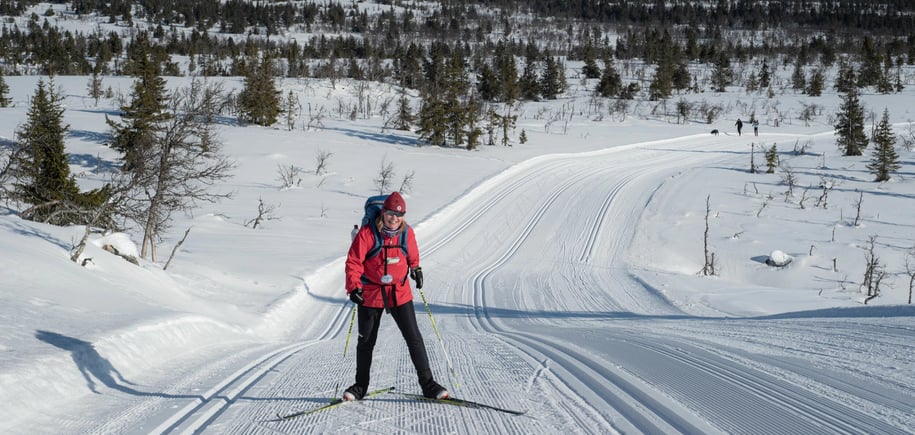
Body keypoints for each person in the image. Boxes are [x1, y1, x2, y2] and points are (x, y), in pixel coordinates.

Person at [343, 192, 449, 401]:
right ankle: (360, 386)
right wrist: (354, 287)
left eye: (399, 215)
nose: (395, 218)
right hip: (371, 293)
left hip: (399, 292)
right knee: (366, 342)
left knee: (414, 339)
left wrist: (415, 268)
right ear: (384, 213)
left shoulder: (406, 232)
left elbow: (413, 253)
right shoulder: (367, 233)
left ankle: (428, 385)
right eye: (391, 214)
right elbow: (353, 262)